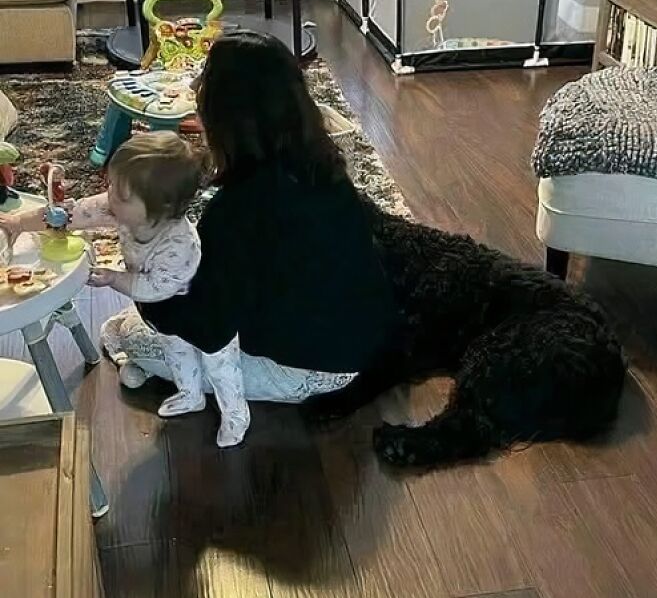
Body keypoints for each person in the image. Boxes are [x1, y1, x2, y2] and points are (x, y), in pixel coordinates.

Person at [104, 30, 401, 440]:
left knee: (127, 333)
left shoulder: (240, 208)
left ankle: (143, 361)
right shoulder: (318, 164)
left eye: (203, 81)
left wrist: (142, 288)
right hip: (363, 338)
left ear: (227, 113)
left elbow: (209, 329)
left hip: (314, 370)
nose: (195, 87)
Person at [0, 133, 254, 446]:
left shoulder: (178, 244)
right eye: (111, 186)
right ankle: (190, 394)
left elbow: (154, 287)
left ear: (159, 207)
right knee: (175, 350)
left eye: (120, 194)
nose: (108, 197)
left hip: (208, 312)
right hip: (166, 312)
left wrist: (114, 278)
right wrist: (18, 222)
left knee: (221, 368)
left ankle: (236, 415)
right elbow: (71, 214)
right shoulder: (118, 208)